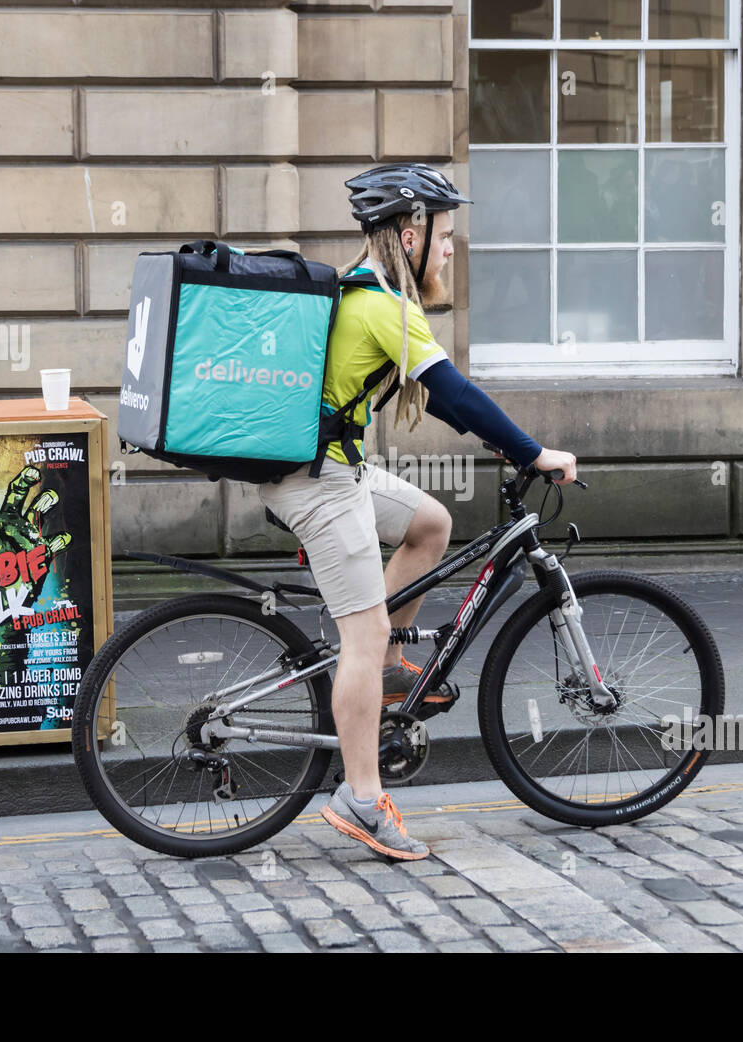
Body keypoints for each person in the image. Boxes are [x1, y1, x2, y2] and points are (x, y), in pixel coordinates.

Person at [259, 163, 577, 860]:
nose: (451, 250)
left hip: (331, 469)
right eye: (446, 236)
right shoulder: (381, 306)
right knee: (363, 636)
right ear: (409, 234)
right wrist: (531, 451)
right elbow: (455, 394)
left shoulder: (363, 287)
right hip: (317, 484)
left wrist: (503, 443)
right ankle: (361, 800)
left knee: (430, 523)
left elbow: (438, 398)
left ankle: (392, 666)